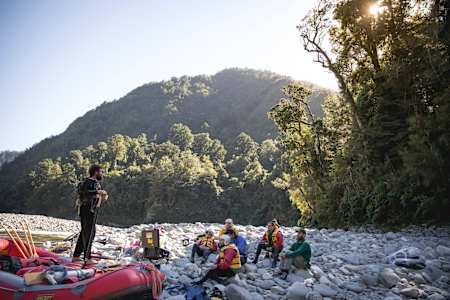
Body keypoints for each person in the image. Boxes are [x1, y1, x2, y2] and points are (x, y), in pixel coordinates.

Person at [73, 165, 108, 262]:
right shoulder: (87, 182)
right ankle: (87, 258)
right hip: (86, 210)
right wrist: (98, 192)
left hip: (92, 210)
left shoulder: (96, 183)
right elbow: (84, 192)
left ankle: (76, 256)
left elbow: (96, 195)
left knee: (84, 232)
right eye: (101, 172)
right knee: (90, 233)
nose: (102, 174)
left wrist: (103, 196)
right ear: (96, 172)